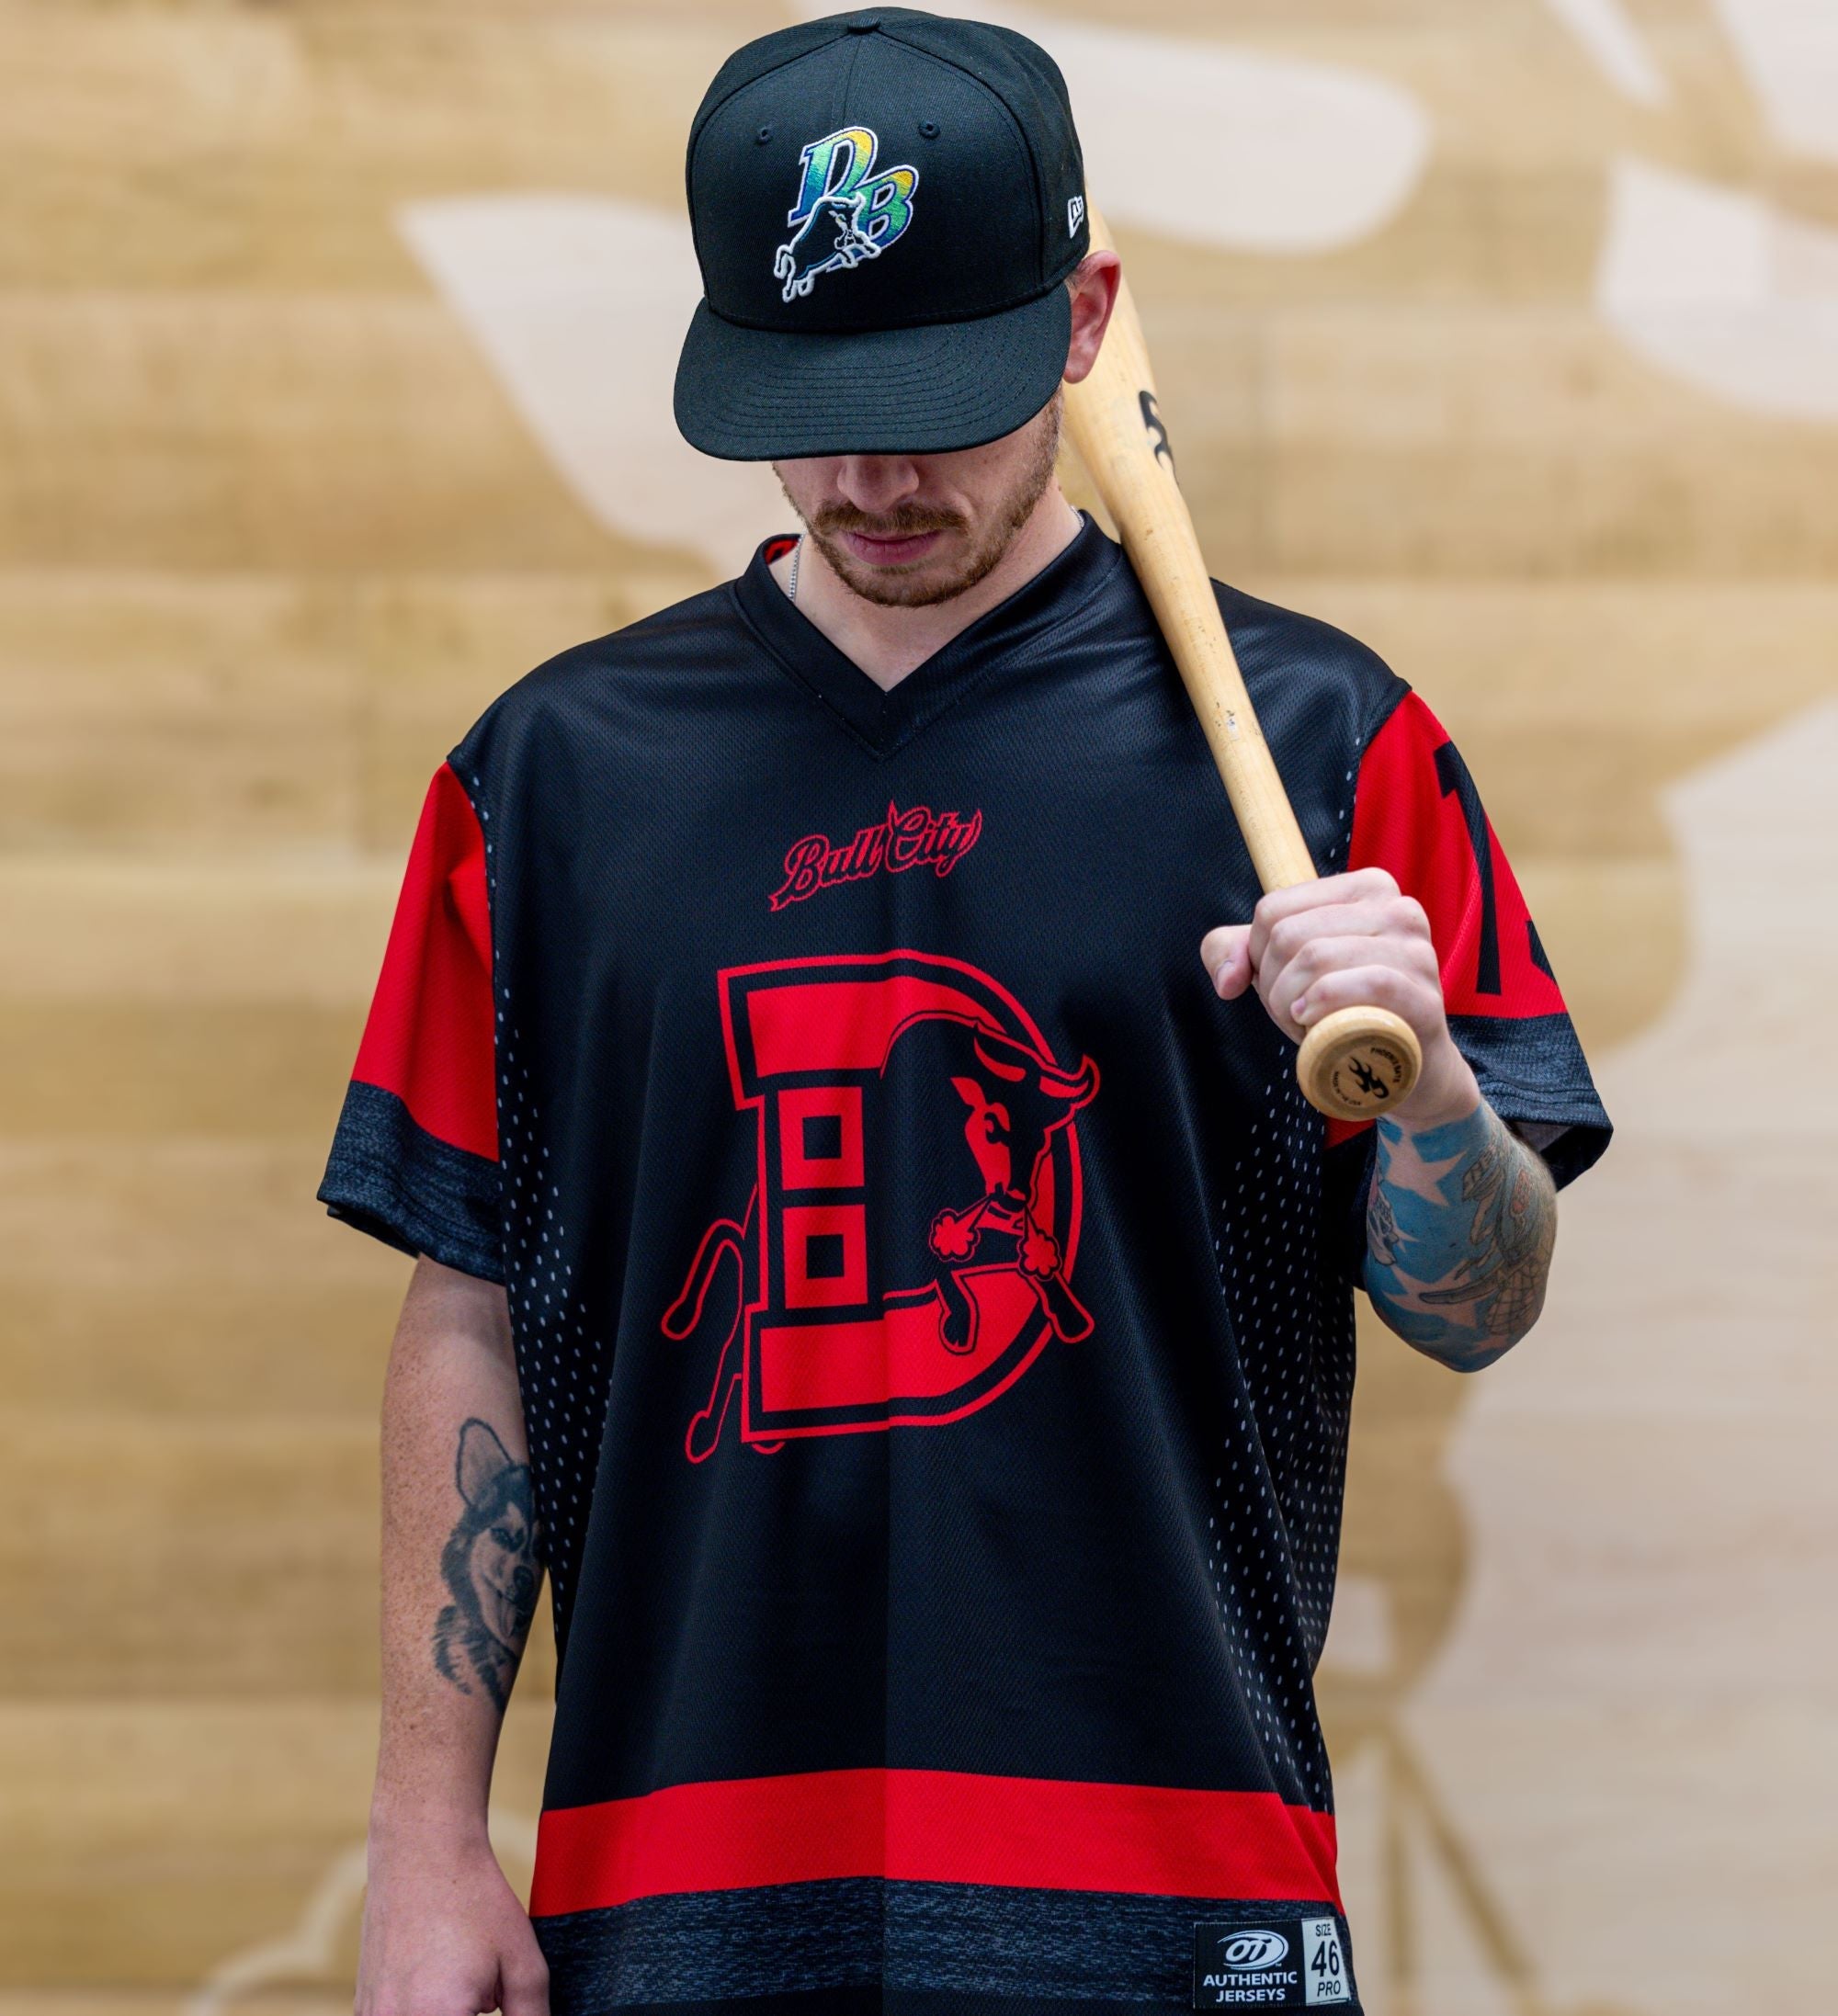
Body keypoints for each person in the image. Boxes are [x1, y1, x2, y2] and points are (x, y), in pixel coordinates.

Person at [319, 10, 1612, 2013]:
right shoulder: (546, 783)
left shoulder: (1326, 751)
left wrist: (1430, 1082)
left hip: (1170, 1883)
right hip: (680, 1884)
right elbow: (468, 1306)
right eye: (814, 401)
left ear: (1084, 322)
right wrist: (423, 1836)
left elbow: (1482, 1304)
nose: (875, 475)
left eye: (939, 398)